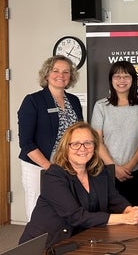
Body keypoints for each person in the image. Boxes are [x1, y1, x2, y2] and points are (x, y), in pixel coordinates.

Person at [18, 122, 138, 249]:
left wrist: (130, 210)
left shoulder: (99, 171)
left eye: (88, 143)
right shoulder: (54, 175)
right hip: (46, 245)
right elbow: (76, 216)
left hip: (81, 241)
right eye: (75, 144)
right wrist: (124, 218)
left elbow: (115, 199)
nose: (82, 148)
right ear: (66, 147)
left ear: (94, 147)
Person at [18, 55, 83, 221]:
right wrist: (50, 167)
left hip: (66, 165)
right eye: (56, 71)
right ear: (47, 74)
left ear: (71, 77)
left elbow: (79, 134)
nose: (60, 75)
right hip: (37, 166)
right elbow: (26, 143)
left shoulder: (74, 101)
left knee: (64, 208)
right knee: (36, 212)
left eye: (66, 72)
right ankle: (35, 246)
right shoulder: (33, 100)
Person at [91, 61, 138, 205]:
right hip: (107, 172)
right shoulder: (101, 106)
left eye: (126, 76)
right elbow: (97, 141)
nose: (121, 80)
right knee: (112, 218)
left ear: (133, 80)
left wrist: (129, 166)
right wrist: (114, 168)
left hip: (136, 171)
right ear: (111, 80)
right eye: (117, 76)